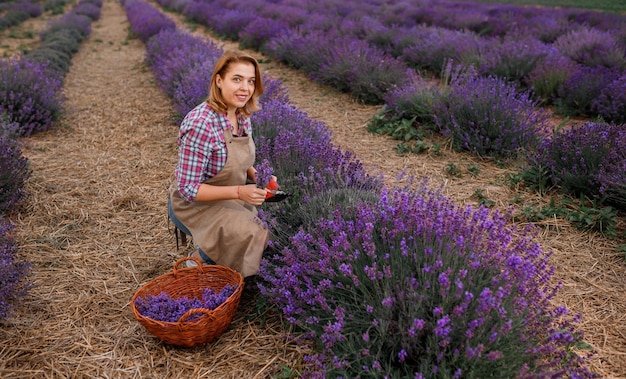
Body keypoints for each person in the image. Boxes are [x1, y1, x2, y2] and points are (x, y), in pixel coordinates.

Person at [168, 50, 271, 278]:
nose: (245, 88)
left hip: (230, 196)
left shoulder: (242, 116)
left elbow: (241, 161)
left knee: (269, 223)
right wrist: (239, 191)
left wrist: (260, 176)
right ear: (219, 81)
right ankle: (202, 261)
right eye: (237, 79)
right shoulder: (200, 125)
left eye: (250, 81)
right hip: (194, 206)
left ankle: (221, 266)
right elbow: (188, 189)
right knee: (255, 231)